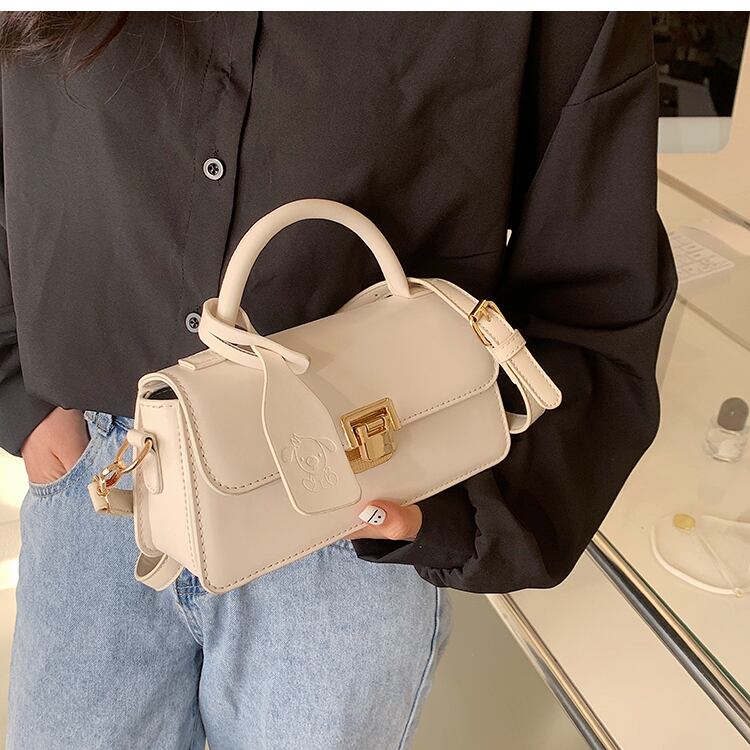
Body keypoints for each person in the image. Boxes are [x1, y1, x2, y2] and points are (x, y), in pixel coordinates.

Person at [0, 11, 678, 750]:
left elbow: (597, 284)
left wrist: (464, 514)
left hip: (357, 495)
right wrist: (20, 394)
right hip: (104, 479)